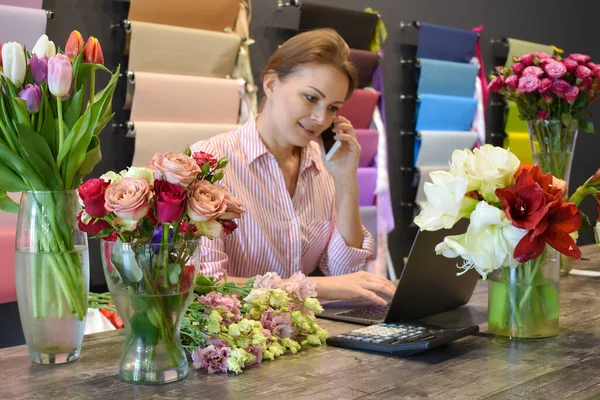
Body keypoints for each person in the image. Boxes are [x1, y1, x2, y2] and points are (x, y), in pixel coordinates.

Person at [191, 29, 395, 306]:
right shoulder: (211, 162)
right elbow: (206, 283)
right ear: (271, 85)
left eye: (333, 108)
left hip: (299, 336)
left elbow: (344, 273)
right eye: (311, 98)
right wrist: (314, 286)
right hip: (226, 341)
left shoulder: (324, 165)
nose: (321, 118)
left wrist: (346, 180)